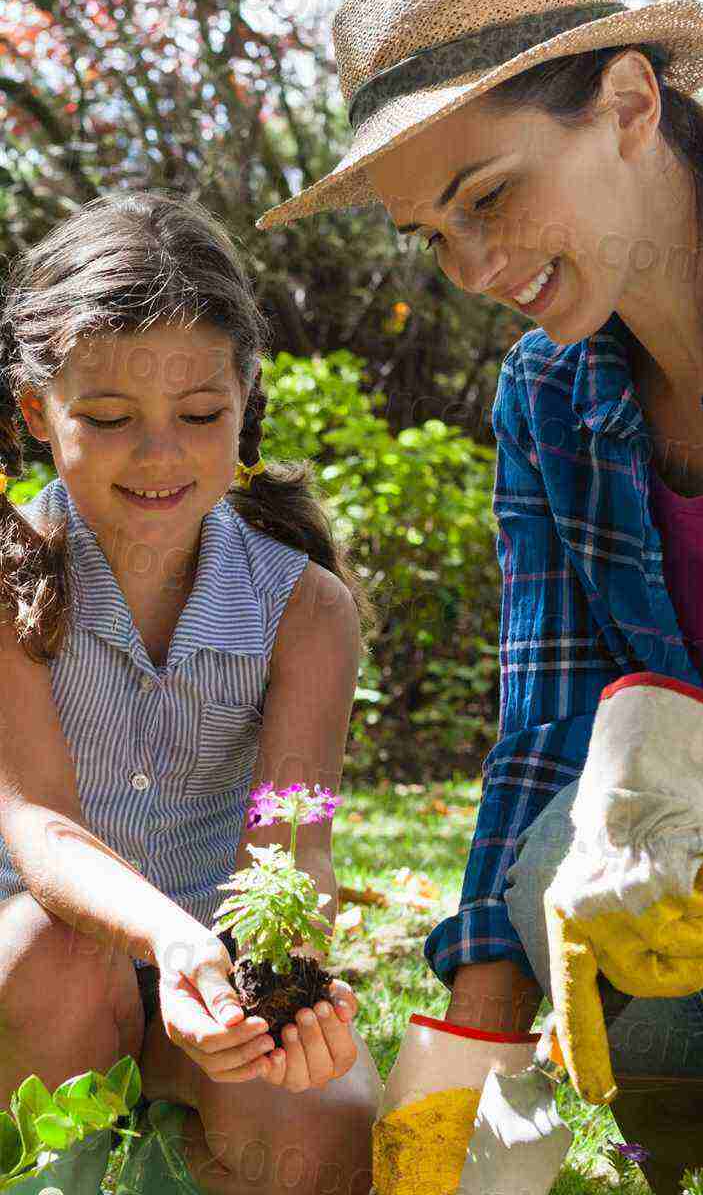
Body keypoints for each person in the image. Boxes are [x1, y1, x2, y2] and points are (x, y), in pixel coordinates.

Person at [255, 0, 703, 1189]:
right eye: (433, 232)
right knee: (574, 868)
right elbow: (547, 721)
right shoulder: (545, 397)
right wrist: (473, 1018)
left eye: (488, 195)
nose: (474, 267)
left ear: (630, 100)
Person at [0, 190, 382, 1195]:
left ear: (245, 397)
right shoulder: (7, 584)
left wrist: (282, 986)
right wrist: (168, 934)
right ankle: (58, 1167)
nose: (161, 453)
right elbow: (39, 828)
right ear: (39, 411)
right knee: (61, 955)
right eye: (112, 417)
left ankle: (182, 1151)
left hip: (213, 976)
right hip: (31, 978)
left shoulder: (305, 609)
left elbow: (292, 838)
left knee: (327, 1127)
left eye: (201, 414)